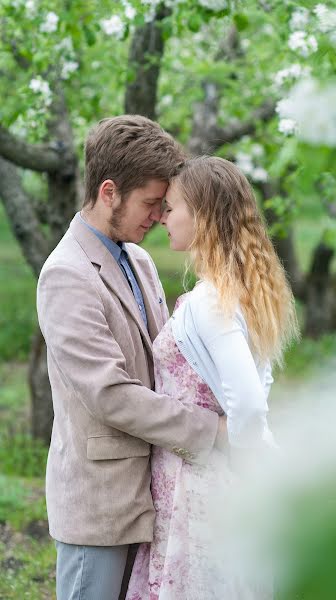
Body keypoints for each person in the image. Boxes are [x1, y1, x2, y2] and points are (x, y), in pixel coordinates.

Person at [36, 116, 228, 600]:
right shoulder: (66, 274)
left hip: (156, 493)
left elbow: (166, 363)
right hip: (100, 504)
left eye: (164, 205)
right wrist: (213, 434)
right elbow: (111, 396)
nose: (159, 216)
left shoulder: (138, 259)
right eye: (149, 203)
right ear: (108, 192)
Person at [126, 156, 299, 599]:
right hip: (200, 476)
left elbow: (248, 399)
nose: (164, 217)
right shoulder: (236, 292)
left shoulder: (210, 302)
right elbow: (259, 383)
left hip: (199, 484)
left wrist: (242, 458)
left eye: (172, 206)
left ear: (201, 216)